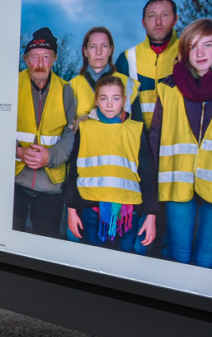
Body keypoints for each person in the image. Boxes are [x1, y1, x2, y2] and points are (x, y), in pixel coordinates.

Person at [65, 76, 157, 254]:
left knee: (124, 260)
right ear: (96, 100)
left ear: (124, 100)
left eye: (115, 98)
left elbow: (147, 175)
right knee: (93, 258)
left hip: (129, 212)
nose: (109, 104)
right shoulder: (85, 128)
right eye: (103, 98)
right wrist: (71, 209)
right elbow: (73, 173)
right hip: (91, 208)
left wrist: (151, 215)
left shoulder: (135, 129)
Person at [149, 18, 212, 268]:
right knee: (179, 257)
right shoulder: (168, 87)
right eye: (193, 46)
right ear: (185, 51)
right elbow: (155, 138)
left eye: (208, 45)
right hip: (176, 183)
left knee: (207, 260)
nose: (200, 53)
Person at [14, 27, 76, 237]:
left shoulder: (66, 89)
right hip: (13, 185)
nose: (40, 64)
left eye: (46, 57)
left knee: (44, 247)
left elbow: (70, 133)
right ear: (26, 59)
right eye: (34, 57)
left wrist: (50, 156)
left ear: (54, 59)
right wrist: (18, 152)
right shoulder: (11, 85)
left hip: (51, 190)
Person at [115, 0, 180, 130]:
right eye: (151, 16)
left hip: (176, 145)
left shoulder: (189, 54)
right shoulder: (127, 59)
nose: (158, 22)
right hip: (138, 145)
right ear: (143, 22)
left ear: (175, 19)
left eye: (165, 15)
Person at [69, 27, 140, 118]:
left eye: (104, 46)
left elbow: (138, 128)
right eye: (93, 47)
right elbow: (68, 129)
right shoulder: (71, 86)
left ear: (111, 50)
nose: (99, 52)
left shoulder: (130, 85)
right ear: (85, 51)